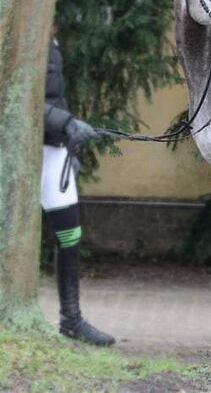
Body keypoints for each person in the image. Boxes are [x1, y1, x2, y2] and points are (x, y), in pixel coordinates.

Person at [42, 35, 115, 346]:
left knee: (69, 235)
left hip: (52, 150)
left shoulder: (48, 35)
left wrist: (67, 141)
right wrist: (67, 122)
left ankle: (71, 319)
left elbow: (52, 96)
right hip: (16, 149)